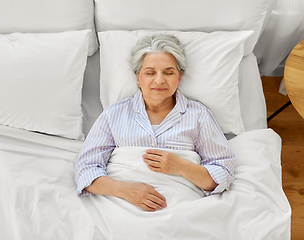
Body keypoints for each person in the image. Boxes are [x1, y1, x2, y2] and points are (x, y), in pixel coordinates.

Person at [74, 33, 235, 212]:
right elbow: (86, 169)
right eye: (150, 73)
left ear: (179, 76)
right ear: (138, 77)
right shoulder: (113, 114)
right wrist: (125, 190)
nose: (159, 80)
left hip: (181, 208)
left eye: (169, 72)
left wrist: (182, 166)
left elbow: (223, 174)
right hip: (120, 207)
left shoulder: (199, 115)